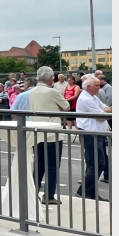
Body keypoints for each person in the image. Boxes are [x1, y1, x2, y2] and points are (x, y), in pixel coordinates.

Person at [27, 66, 69, 205]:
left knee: (39, 165)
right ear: (50, 78)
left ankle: (33, 193)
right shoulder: (52, 91)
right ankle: (49, 195)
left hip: (36, 131)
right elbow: (66, 106)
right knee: (52, 165)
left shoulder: (32, 92)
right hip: (52, 133)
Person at [75, 77, 111, 201]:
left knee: (94, 164)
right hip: (90, 134)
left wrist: (104, 110)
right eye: (96, 85)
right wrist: (104, 110)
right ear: (88, 87)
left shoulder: (93, 97)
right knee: (98, 164)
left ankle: (90, 193)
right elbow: (101, 116)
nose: (99, 87)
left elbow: (105, 108)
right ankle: (84, 191)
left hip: (96, 134)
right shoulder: (86, 99)